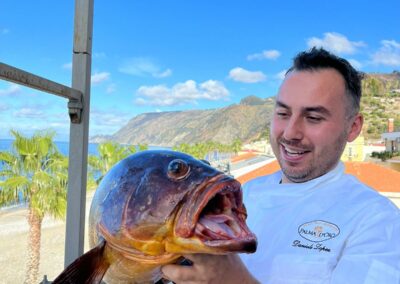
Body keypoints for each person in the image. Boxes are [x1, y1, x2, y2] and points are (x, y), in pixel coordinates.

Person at [161, 47, 400, 283]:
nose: (290, 132)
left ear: (353, 127)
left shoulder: (377, 222)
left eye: (314, 117)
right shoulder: (246, 193)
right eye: (283, 114)